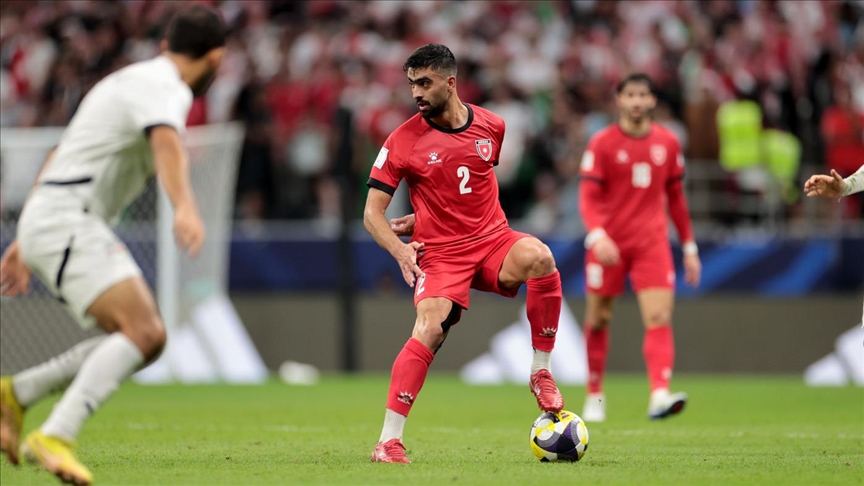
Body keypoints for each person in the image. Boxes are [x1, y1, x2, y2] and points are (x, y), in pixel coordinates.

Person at [0, 6, 225, 485]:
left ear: (165, 45)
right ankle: (55, 434)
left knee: (144, 336)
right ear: (216, 58)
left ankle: (16, 394)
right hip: (67, 219)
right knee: (144, 331)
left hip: (53, 216)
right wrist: (185, 207)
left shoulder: (126, 80)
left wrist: (25, 236)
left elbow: (61, 153)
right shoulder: (167, 86)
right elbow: (166, 141)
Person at [364, 44, 565, 463]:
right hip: (440, 255)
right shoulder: (402, 140)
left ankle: (540, 371)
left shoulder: (492, 125)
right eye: (412, 84)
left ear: (450, 82)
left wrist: (427, 214)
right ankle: (388, 442)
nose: (416, 93)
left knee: (541, 257)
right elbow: (371, 214)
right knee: (430, 328)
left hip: (493, 241)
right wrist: (402, 250)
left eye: (425, 83)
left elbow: (467, 186)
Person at [578, 73, 702, 423]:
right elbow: (588, 197)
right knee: (598, 319)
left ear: (652, 101)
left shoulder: (668, 142)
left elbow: (676, 199)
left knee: (659, 317)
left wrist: (689, 247)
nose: (636, 101)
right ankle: (595, 395)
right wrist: (597, 235)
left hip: (651, 243)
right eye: (630, 95)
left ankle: (659, 395)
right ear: (619, 100)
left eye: (642, 95)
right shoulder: (601, 143)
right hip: (609, 243)